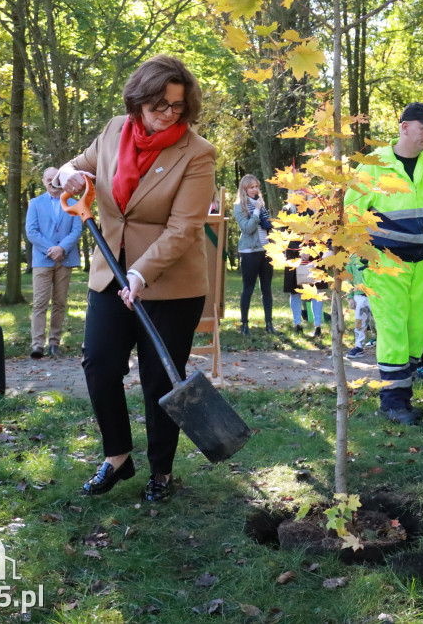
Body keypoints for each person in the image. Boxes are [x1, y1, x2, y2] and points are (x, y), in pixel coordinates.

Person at [56, 55, 216, 501]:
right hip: (110, 275)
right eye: (158, 104)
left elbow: (184, 227)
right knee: (100, 365)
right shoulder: (113, 132)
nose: (168, 113)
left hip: (169, 284)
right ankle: (117, 456)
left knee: (160, 379)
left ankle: (161, 471)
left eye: (177, 106)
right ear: (138, 101)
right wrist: (67, 176)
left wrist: (142, 271)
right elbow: (73, 167)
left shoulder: (197, 154)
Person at [345, 102, 423, 425]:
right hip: (384, 262)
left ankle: (402, 396)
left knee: (415, 333)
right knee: (393, 329)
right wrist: (352, 254)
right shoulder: (373, 165)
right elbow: (352, 212)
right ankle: (393, 404)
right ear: (404, 127)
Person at [26, 167, 83, 359]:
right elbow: (32, 232)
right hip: (43, 260)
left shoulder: (74, 203)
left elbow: (76, 231)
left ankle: (54, 343)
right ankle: (37, 345)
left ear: (60, 180)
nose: (51, 182)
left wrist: (62, 249)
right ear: (43, 181)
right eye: (48, 179)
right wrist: (52, 249)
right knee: (40, 303)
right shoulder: (35, 203)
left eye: (54, 179)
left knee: (59, 303)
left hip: (64, 260)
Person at [233, 174, 274, 335]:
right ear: (244, 189)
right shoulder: (239, 207)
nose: (255, 189)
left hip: (266, 250)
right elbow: (247, 229)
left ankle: (269, 324)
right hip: (250, 251)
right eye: (251, 187)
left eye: (256, 186)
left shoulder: (261, 205)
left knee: (267, 289)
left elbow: (266, 226)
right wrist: (256, 210)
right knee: (248, 289)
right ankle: (244, 324)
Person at [281, 191, 324, 335]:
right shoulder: (287, 210)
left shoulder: (313, 209)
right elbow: (284, 234)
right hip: (293, 255)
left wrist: (310, 250)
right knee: (295, 292)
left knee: (315, 291)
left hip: (313, 254)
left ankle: (318, 325)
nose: (300, 193)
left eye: (303, 190)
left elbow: (320, 232)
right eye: (297, 190)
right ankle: (297, 324)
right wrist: (298, 251)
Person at [346, 254, 373, 359]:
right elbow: (349, 278)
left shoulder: (374, 252)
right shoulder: (352, 257)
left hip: (376, 294)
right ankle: (359, 346)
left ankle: (384, 344)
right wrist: (350, 297)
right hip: (360, 295)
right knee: (359, 322)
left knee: (379, 322)